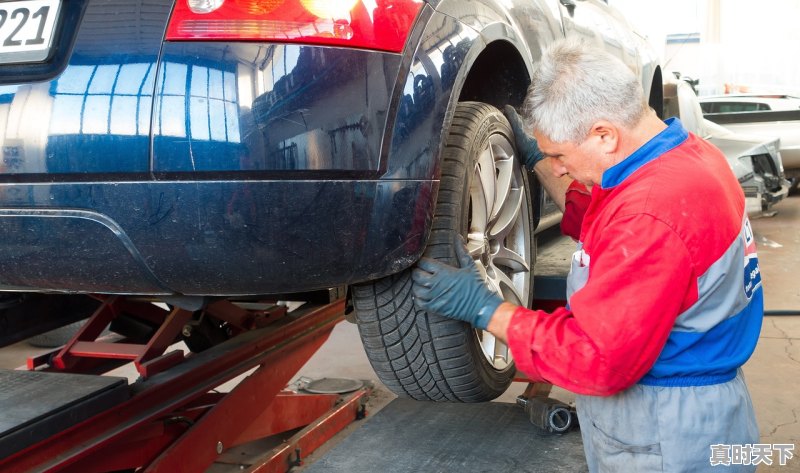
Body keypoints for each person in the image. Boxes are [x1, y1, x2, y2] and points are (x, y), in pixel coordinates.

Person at [411, 39, 762, 472]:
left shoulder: (651, 214)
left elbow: (596, 359)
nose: (557, 168)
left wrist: (486, 309)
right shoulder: (689, 154)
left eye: (559, 155)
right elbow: (603, 219)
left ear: (603, 134)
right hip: (703, 412)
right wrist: (539, 156)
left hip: (670, 435)